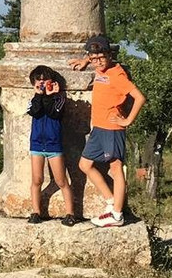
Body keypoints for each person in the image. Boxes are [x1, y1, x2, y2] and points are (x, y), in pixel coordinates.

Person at [69, 34, 145, 227]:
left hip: (112, 128)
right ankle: (111, 202)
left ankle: (117, 214)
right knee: (85, 165)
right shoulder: (99, 66)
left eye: (100, 57)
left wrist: (127, 120)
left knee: (116, 169)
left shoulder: (117, 74)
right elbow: (95, 56)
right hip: (99, 128)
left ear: (109, 55)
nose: (97, 61)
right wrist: (85, 61)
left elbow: (139, 97)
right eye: (93, 58)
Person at [26, 64, 79, 226]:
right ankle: (36, 211)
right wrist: (38, 95)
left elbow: (53, 113)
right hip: (37, 145)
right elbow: (34, 111)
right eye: (39, 81)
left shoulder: (59, 99)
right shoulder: (34, 99)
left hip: (53, 145)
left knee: (61, 180)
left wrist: (50, 95)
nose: (42, 83)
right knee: (37, 179)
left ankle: (70, 213)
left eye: (45, 80)